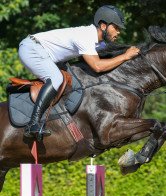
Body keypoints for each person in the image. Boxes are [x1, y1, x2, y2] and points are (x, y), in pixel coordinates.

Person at [18, 5, 140, 138]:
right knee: (56, 78)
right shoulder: (86, 37)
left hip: (43, 53)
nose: (118, 32)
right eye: (115, 27)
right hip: (31, 49)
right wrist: (125, 56)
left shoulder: (95, 39)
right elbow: (97, 66)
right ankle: (32, 124)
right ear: (103, 26)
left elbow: (107, 50)